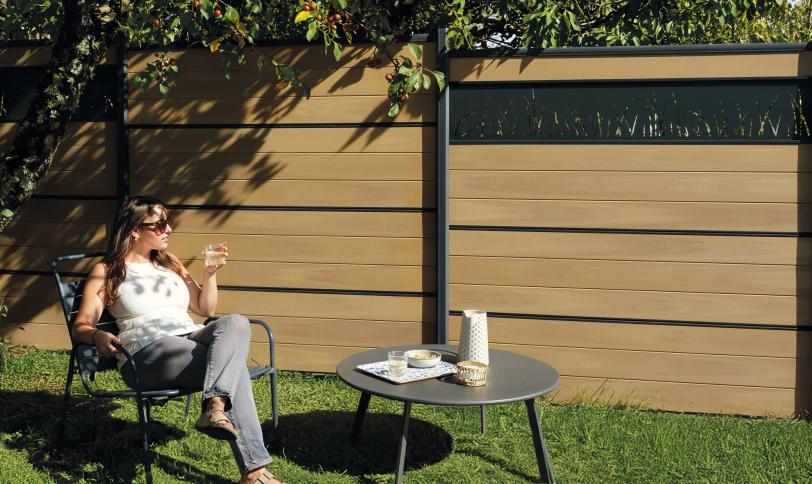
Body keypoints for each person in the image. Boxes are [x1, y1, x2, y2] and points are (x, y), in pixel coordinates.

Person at [71, 196, 282, 484]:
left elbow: (204, 308)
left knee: (236, 322)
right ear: (135, 230)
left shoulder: (170, 263)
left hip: (188, 333)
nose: (168, 229)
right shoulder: (108, 270)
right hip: (146, 352)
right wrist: (96, 335)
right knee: (236, 369)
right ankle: (254, 470)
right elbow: (81, 325)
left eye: (168, 222)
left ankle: (215, 407)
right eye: (159, 224)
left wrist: (209, 274)